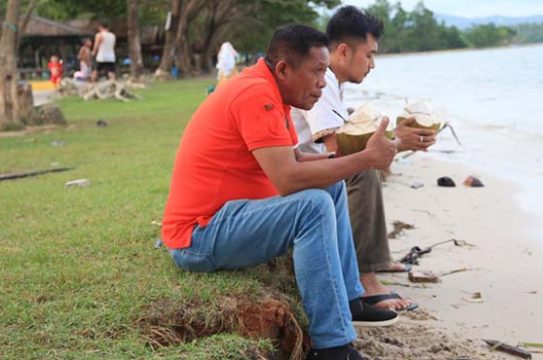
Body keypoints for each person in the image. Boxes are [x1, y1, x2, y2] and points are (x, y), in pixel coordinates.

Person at [161, 24, 401, 360]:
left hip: (228, 216)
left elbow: (297, 158)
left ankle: (348, 298)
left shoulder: (270, 90)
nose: (322, 82)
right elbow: (288, 179)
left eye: (325, 72)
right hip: (199, 235)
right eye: (317, 71)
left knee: (328, 185)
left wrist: (360, 156)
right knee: (313, 205)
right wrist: (365, 158)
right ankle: (332, 347)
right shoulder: (256, 95)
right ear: (284, 69)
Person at [291, 6, 437, 312]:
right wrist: (396, 143)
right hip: (298, 176)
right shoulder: (325, 80)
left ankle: (375, 261)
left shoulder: (333, 82)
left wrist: (398, 140)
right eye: (369, 55)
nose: (373, 64)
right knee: (364, 171)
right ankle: (364, 278)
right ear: (343, 51)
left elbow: (347, 143)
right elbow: (340, 152)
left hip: (304, 167)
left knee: (368, 166)